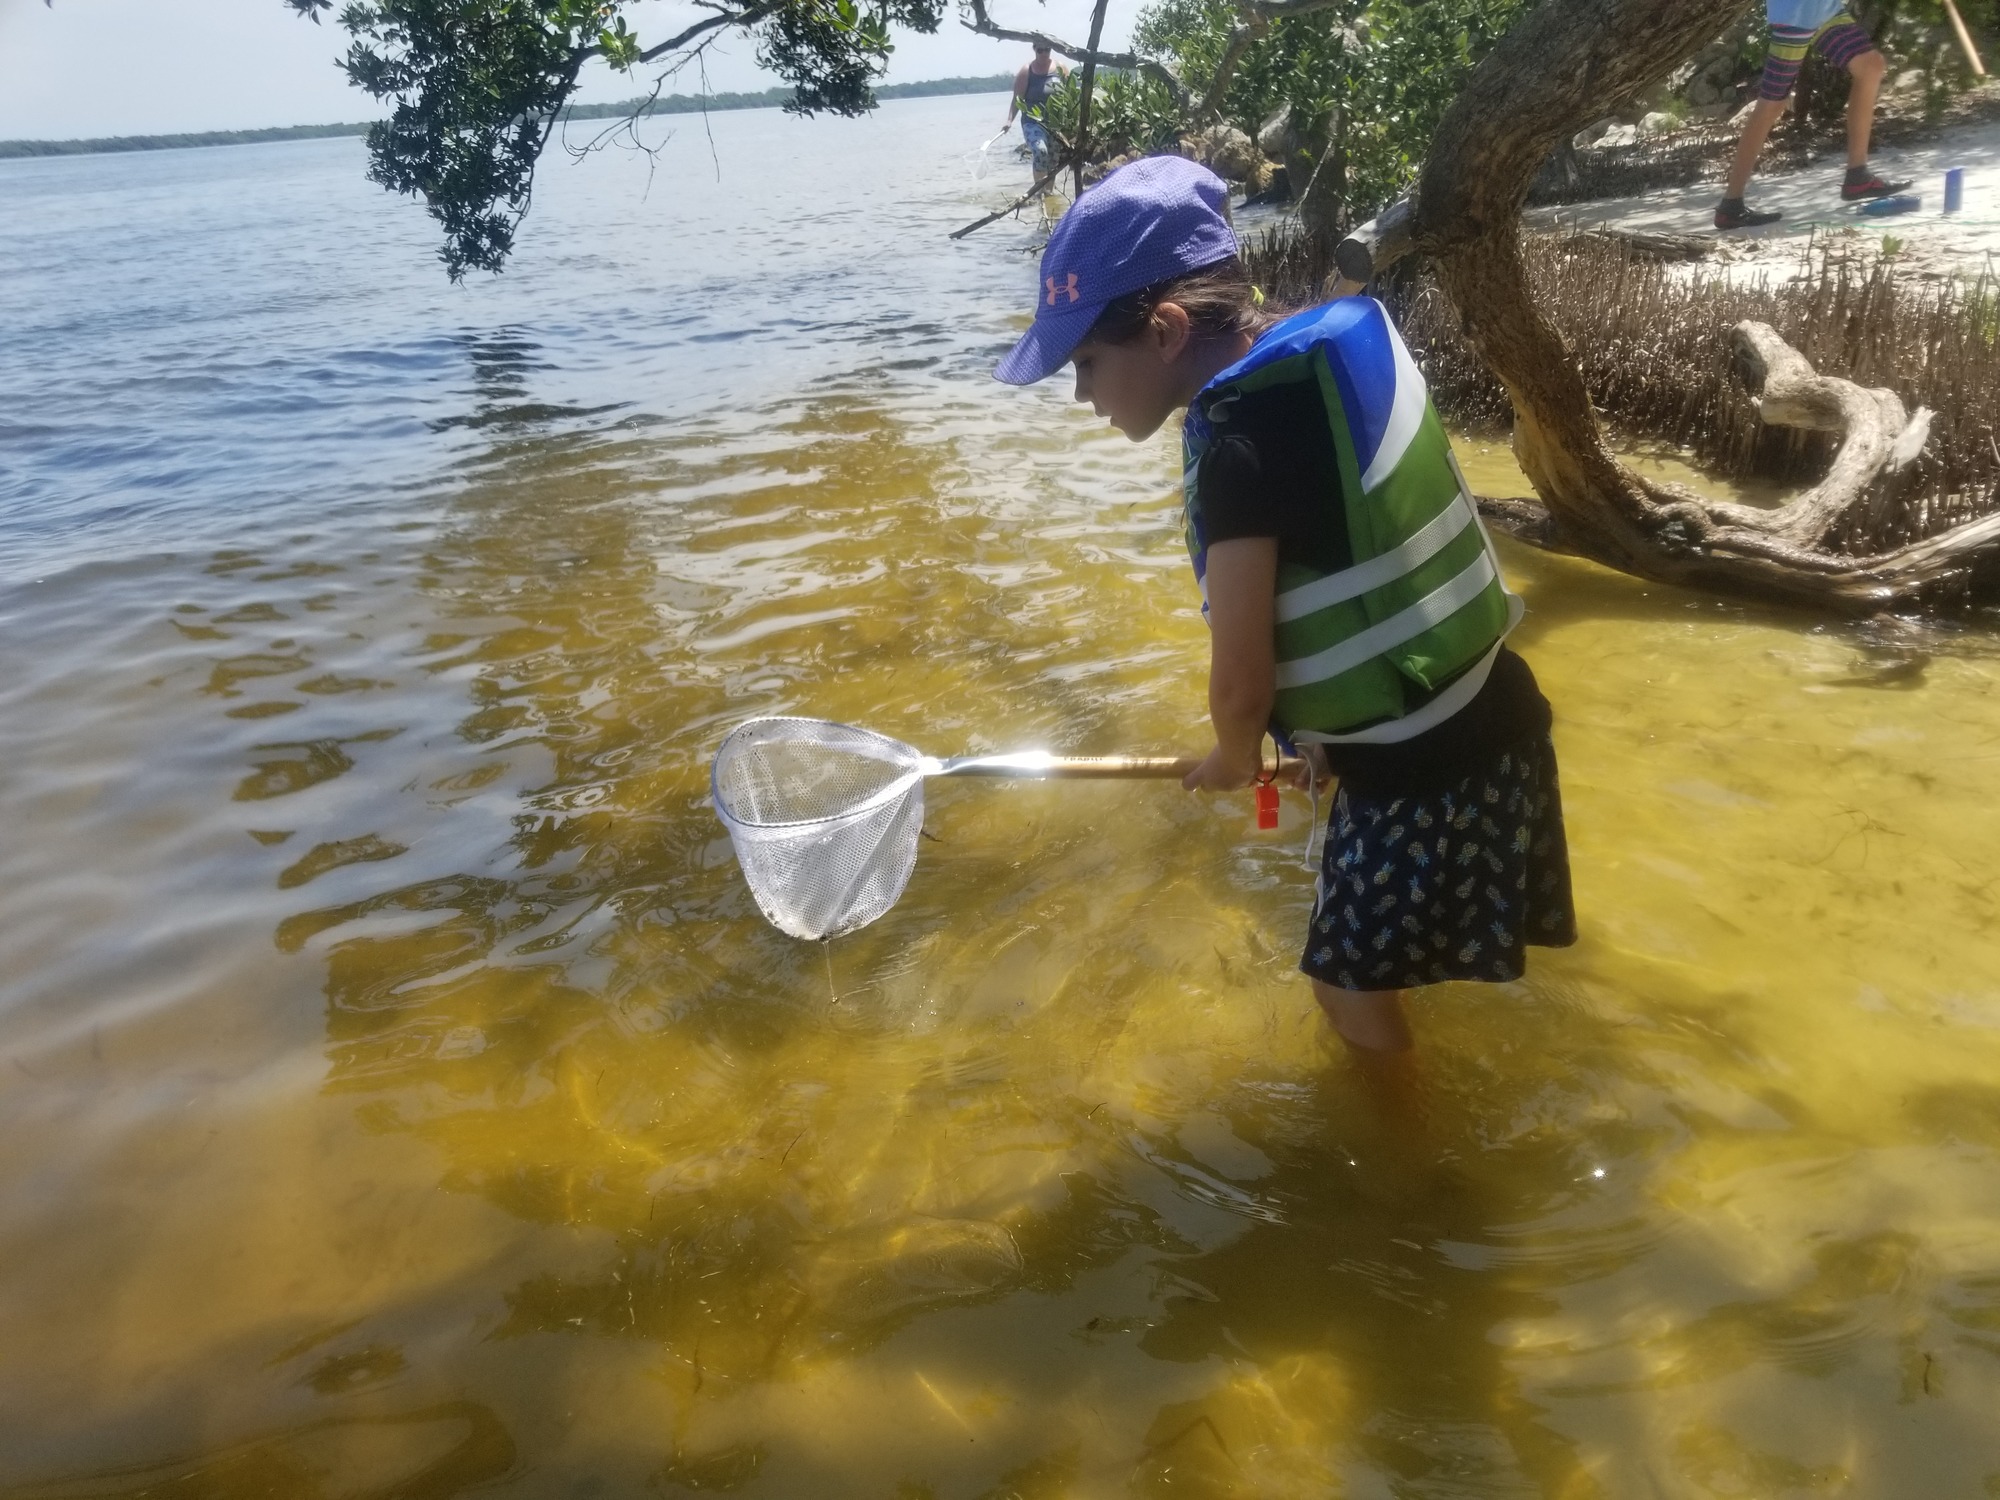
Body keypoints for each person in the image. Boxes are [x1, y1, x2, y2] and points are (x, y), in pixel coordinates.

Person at [993, 157, 1576, 1059]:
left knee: (1343, 991)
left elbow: (1241, 684)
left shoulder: (1238, 452)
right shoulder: (1307, 375)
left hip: (1429, 770)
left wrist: (1234, 757)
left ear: (1164, 330)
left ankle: (1414, 1184)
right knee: (1373, 972)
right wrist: (1319, 745)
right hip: (1488, 715)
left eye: (1086, 364)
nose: (1081, 396)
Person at [1716, 1, 1911, 229]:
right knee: (1773, 103)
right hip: (1798, 13)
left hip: (1822, 10)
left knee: (1870, 65)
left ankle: (1858, 177)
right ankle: (1730, 205)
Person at [1005, 41, 1068, 179]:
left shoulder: (1060, 67)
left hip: (1055, 122)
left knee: (1053, 160)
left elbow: (1070, 95)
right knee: (1041, 152)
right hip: (1032, 121)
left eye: (1047, 50)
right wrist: (1009, 120)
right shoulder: (1027, 70)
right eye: (1040, 50)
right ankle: (1038, 193)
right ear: (1034, 49)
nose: (1044, 53)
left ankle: (1049, 194)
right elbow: (1017, 99)